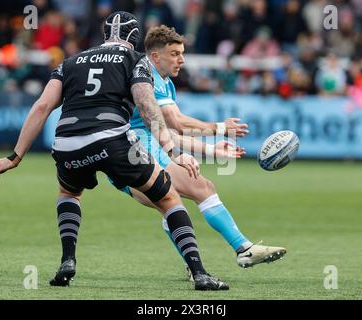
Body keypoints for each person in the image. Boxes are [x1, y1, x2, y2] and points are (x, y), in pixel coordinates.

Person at [0, 11, 228, 291]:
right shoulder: (136, 60)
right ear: (134, 37)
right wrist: (174, 152)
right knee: (168, 197)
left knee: (69, 193)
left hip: (66, 142)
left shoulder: (71, 61)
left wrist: (14, 156)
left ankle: (67, 260)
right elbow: (147, 107)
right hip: (112, 139)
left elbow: (41, 107)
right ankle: (200, 273)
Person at [110, 25, 287, 280]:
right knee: (201, 188)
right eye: (174, 53)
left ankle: (196, 269)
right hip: (135, 150)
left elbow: (169, 134)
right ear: (155, 55)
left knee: (171, 205)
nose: (181, 59)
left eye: (182, 53)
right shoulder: (148, 74)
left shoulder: (165, 84)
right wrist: (220, 127)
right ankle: (243, 248)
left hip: (131, 153)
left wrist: (211, 149)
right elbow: (176, 121)